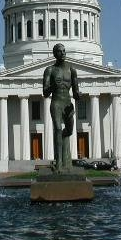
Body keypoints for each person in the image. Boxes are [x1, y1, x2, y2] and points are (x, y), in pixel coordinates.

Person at [43, 43, 80, 173]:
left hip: (67, 103)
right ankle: (59, 164)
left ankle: (65, 158)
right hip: (56, 103)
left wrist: (78, 95)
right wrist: (53, 86)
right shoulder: (50, 70)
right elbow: (45, 92)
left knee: (69, 131)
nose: (63, 53)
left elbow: (76, 91)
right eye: (60, 51)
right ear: (55, 54)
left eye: (64, 51)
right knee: (58, 129)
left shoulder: (72, 70)